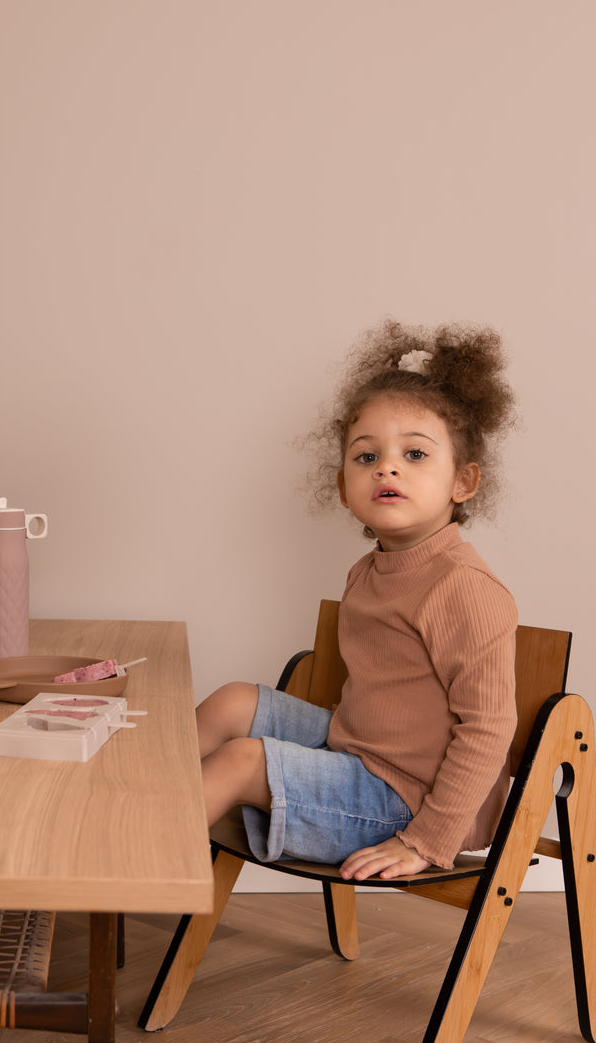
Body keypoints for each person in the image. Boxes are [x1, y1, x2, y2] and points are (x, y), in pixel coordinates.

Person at [198, 320, 518, 881]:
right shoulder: (367, 572)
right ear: (345, 487)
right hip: (357, 753)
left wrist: (426, 841)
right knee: (230, 701)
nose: (388, 467)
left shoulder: (463, 589)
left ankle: (122, 860)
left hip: (408, 802)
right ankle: (132, 802)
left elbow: (489, 728)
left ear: (462, 483)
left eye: (415, 455)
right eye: (367, 458)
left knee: (241, 762)